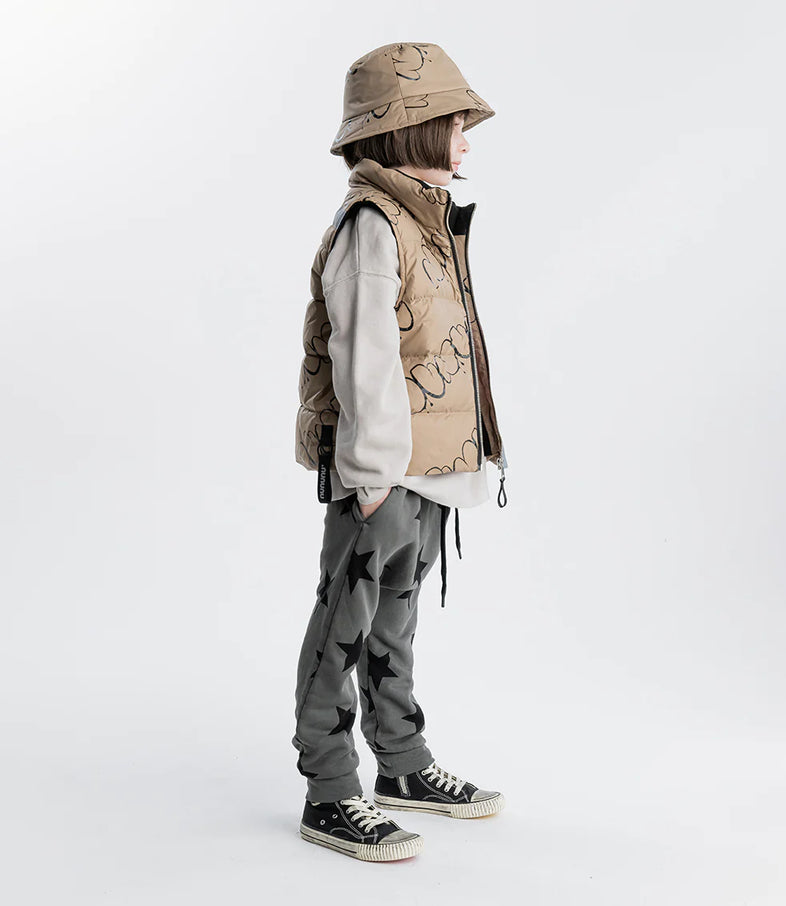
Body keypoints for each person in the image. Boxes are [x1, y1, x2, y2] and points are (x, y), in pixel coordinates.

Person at [291, 41, 510, 862]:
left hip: (428, 470)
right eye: (453, 124)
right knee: (343, 626)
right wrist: (375, 474)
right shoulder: (373, 225)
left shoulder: (427, 221)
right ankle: (329, 791)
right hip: (381, 473)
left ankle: (403, 765)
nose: (465, 140)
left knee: (394, 622)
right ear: (410, 127)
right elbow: (365, 354)